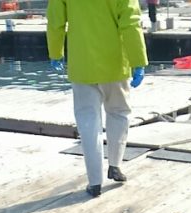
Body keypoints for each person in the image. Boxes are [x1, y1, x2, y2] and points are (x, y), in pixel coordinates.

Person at [47, 0, 148, 199]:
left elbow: (55, 21)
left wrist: (55, 52)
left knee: (88, 122)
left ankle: (94, 182)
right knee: (119, 112)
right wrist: (138, 61)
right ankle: (115, 165)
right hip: (115, 64)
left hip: (82, 64)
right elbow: (131, 23)